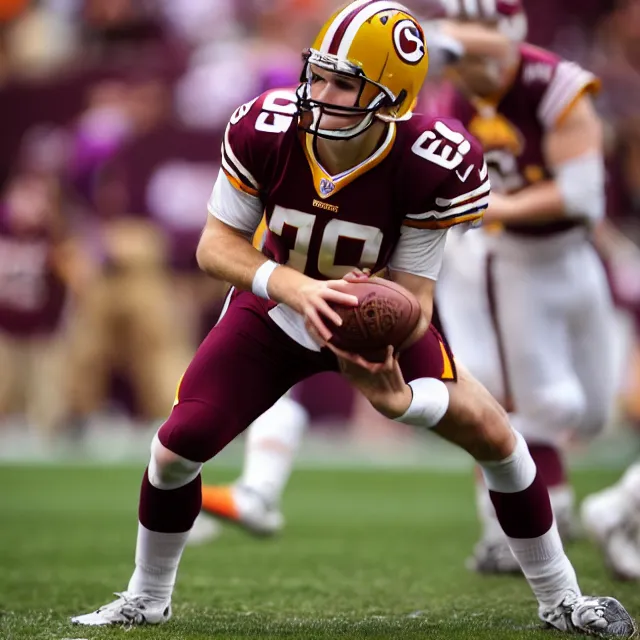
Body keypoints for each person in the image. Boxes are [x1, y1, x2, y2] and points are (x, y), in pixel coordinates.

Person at [70, 2, 635, 635]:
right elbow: (215, 246)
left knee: (499, 438)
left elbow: (415, 296)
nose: (318, 93)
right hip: (275, 306)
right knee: (176, 449)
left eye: (344, 83)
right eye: (318, 74)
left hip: (370, 316)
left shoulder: (435, 159)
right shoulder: (265, 125)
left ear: (392, 96)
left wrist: (394, 384)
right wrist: (295, 287)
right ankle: (146, 597)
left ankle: (562, 597)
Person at [424, 0, 619, 573]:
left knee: (592, 412)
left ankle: (536, 511)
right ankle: (517, 525)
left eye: (484, 27)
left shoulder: (551, 84)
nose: (470, 49)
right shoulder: (457, 96)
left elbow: (583, 197)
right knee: (527, 402)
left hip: (571, 256)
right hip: (504, 262)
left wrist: (495, 205)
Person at [581, 460, 640, 581]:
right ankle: (616, 559)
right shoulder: (635, 476)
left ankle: (617, 560)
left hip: (619, 519)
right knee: (631, 570)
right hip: (606, 517)